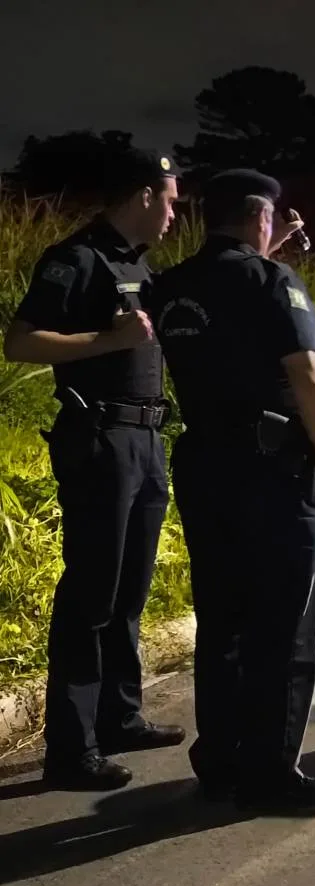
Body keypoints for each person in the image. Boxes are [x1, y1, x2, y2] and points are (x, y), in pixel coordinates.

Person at [145, 168, 315, 812]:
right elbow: (307, 375)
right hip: (274, 469)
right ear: (262, 217)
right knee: (283, 624)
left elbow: (224, 321)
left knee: (223, 619)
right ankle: (270, 772)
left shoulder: (170, 286)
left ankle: (221, 758)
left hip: (204, 464)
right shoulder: (272, 281)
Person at [3, 148, 185, 791]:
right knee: (92, 593)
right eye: (170, 199)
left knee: (130, 588)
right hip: (100, 436)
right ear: (143, 195)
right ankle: (71, 749)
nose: (174, 213)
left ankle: (119, 717)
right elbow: (20, 341)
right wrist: (108, 341)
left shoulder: (137, 263)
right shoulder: (76, 259)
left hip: (145, 438)